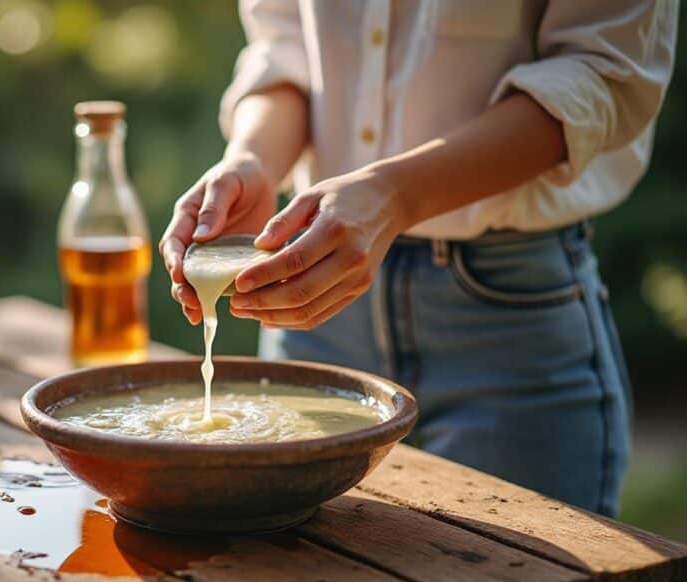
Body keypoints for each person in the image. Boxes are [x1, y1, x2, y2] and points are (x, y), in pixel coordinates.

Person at [160, 1, 678, 517]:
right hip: (315, 304)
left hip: (507, 321)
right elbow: (285, 47)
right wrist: (252, 159)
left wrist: (396, 196)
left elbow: (604, 73)